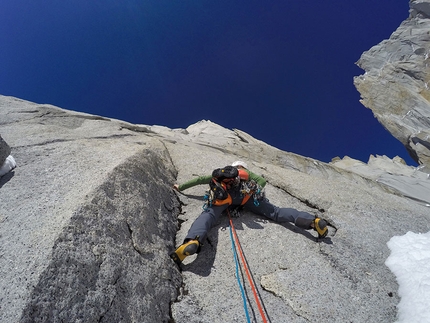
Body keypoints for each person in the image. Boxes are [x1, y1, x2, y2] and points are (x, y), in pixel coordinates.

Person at [170, 161, 328, 265]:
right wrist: (253, 191)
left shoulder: (223, 175)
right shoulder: (247, 175)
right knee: (276, 213)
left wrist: (181, 187)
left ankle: (192, 241)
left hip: (225, 198)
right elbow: (262, 182)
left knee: (208, 216)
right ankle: (312, 221)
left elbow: (200, 180)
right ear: (243, 168)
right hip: (247, 198)